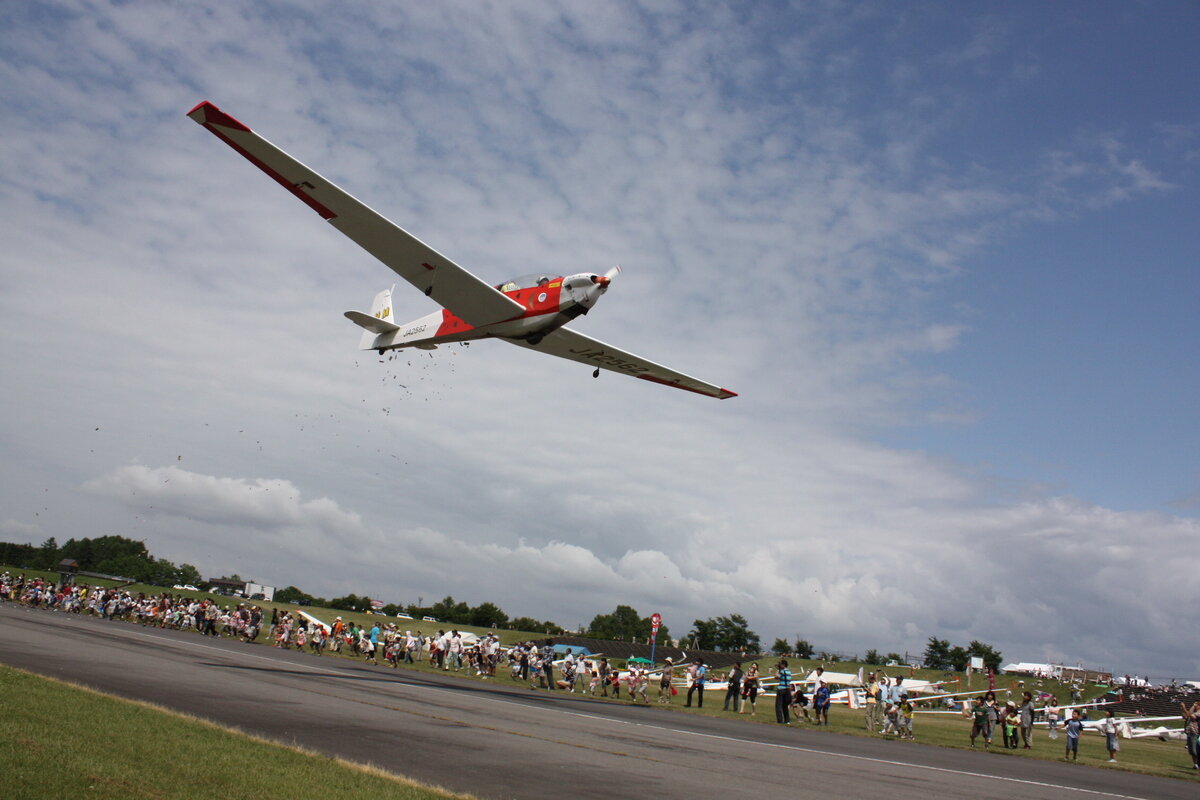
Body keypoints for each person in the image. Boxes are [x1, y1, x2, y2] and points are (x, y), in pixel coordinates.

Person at [1181, 700, 1200, 769]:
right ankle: (1196, 764)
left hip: (1196, 733)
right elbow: (1186, 716)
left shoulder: (1199, 712)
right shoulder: (1193, 712)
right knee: (1192, 750)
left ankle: (1197, 764)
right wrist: (1183, 711)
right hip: (1190, 732)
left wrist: (1184, 708)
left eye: (1196, 705)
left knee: (1195, 750)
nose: (1194, 707)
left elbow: (1191, 716)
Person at [774, 660, 793, 724]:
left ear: (783, 665)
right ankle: (787, 720)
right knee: (785, 706)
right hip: (787, 689)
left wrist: (777, 671)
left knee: (778, 705)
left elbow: (776, 677)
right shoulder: (789, 672)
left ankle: (780, 720)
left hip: (781, 688)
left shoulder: (782, 671)